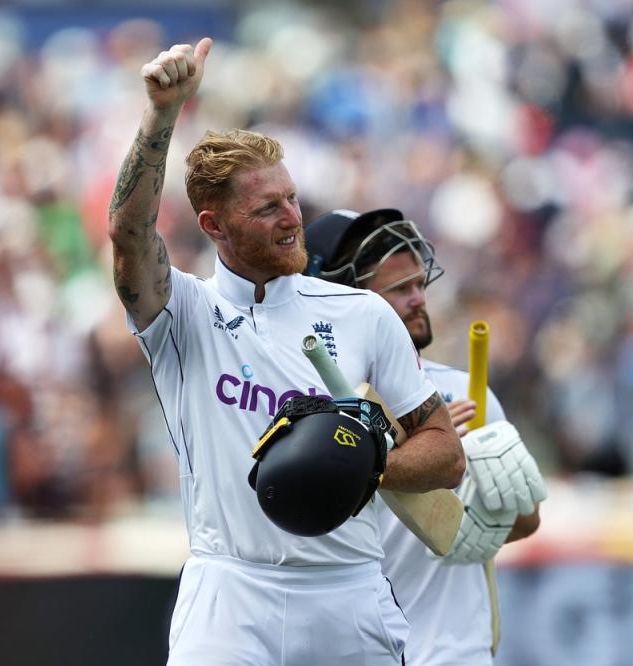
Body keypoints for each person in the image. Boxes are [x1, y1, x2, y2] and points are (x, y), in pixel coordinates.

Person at [108, 40, 465, 665]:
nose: (292, 217)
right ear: (215, 225)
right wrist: (161, 116)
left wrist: (369, 459)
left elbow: (445, 455)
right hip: (228, 594)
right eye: (267, 207)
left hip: (348, 594)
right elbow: (128, 231)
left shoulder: (361, 314)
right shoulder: (181, 312)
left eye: (292, 197)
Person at [304, 208, 546, 665]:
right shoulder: (305, 405)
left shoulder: (463, 391)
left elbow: (526, 520)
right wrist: (407, 448)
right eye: (399, 290)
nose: (419, 299)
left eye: (419, 284)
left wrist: (459, 462)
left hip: (456, 651)